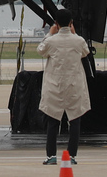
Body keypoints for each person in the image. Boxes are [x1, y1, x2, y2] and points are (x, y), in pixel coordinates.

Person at [37, 9, 90, 165]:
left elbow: (41, 50)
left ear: (56, 24)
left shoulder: (51, 41)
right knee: (75, 120)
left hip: (55, 86)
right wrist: (74, 34)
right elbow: (85, 52)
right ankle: (72, 156)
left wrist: (50, 34)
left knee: (53, 121)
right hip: (74, 85)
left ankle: (51, 156)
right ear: (71, 23)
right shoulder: (78, 40)